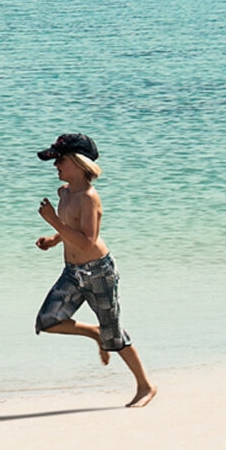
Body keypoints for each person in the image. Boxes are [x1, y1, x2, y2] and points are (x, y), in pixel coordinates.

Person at [33, 133, 156, 408]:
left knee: (114, 335)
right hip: (72, 273)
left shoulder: (89, 197)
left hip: (99, 272)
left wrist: (54, 222)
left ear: (77, 163)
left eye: (60, 160)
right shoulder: (64, 193)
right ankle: (93, 332)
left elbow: (88, 240)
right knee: (47, 320)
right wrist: (53, 240)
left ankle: (145, 386)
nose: (56, 166)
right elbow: (71, 229)